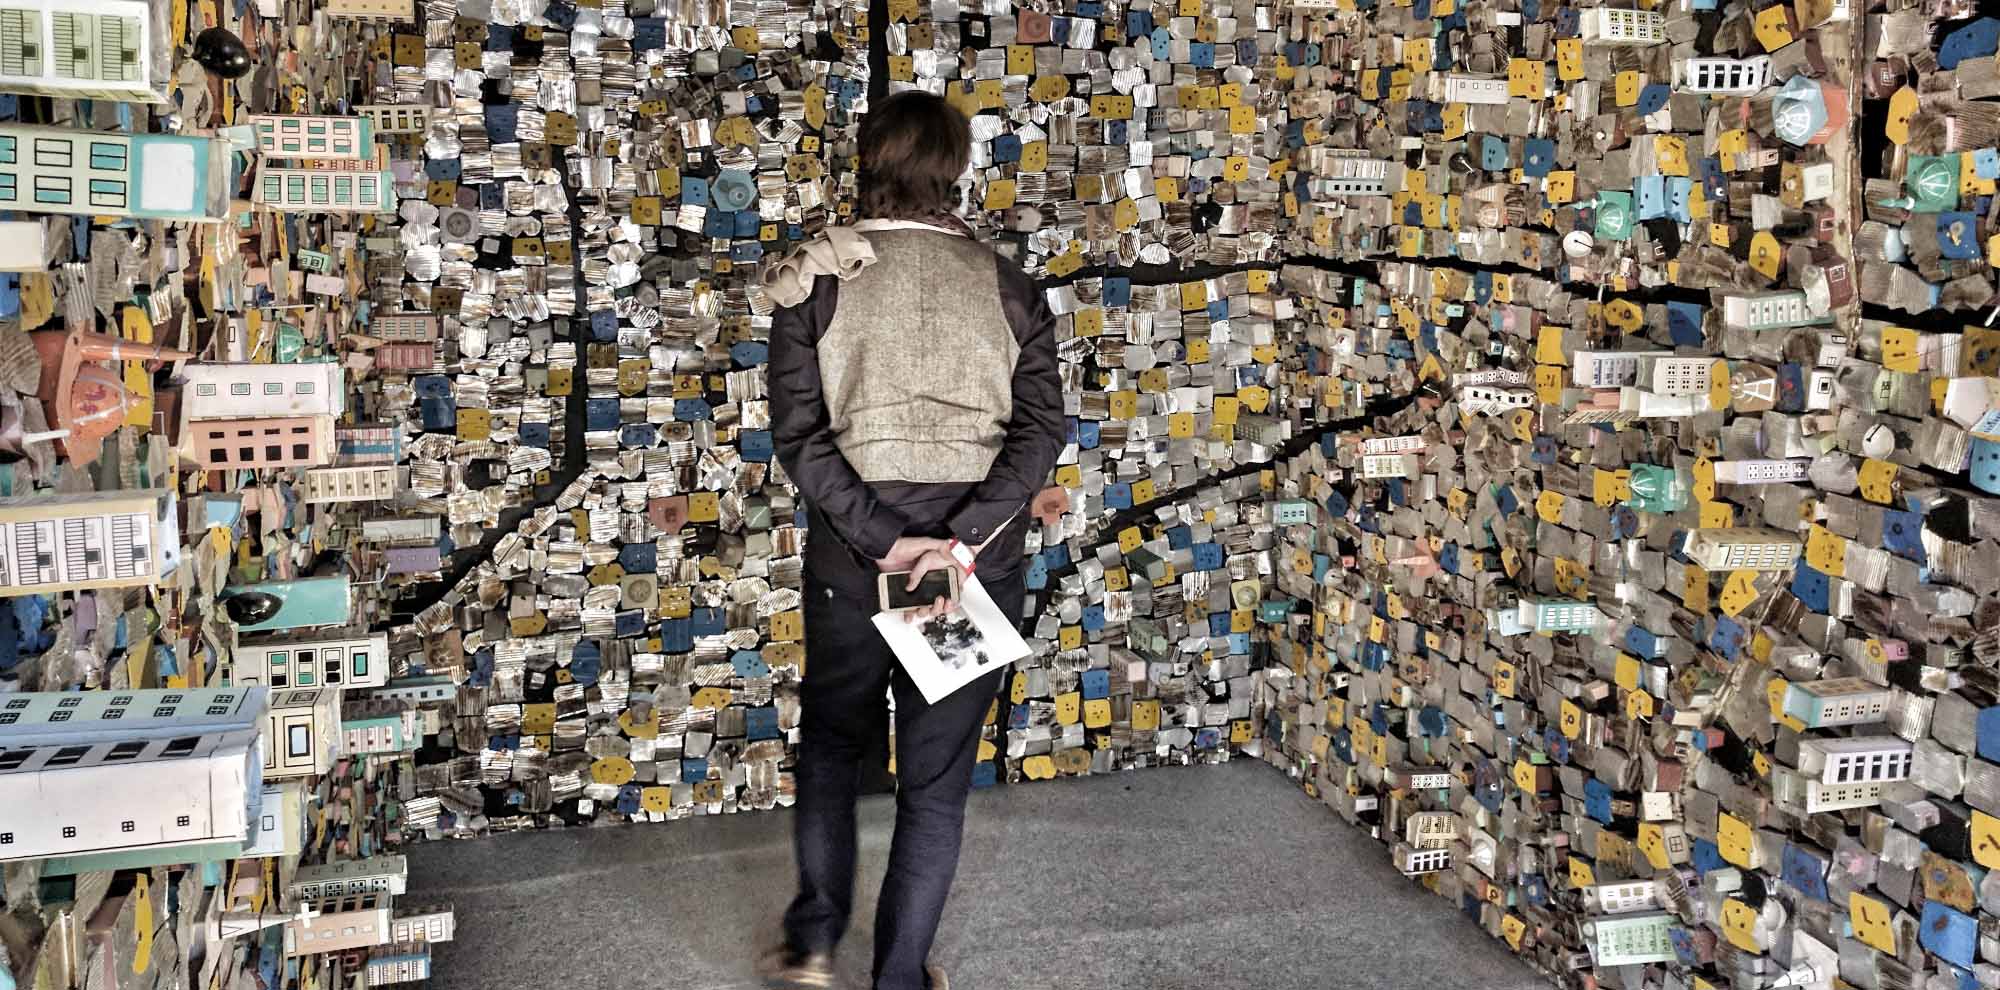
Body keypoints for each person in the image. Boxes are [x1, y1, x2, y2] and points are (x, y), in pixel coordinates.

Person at [756, 90, 1063, 990]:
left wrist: (886, 541)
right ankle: (896, 980)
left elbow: (799, 437)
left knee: (831, 747)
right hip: (974, 567)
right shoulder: (1010, 286)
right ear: (955, 170)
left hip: (852, 562)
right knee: (934, 784)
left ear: (868, 162)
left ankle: (814, 944)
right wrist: (959, 544)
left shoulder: (813, 281)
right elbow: (1039, 433)